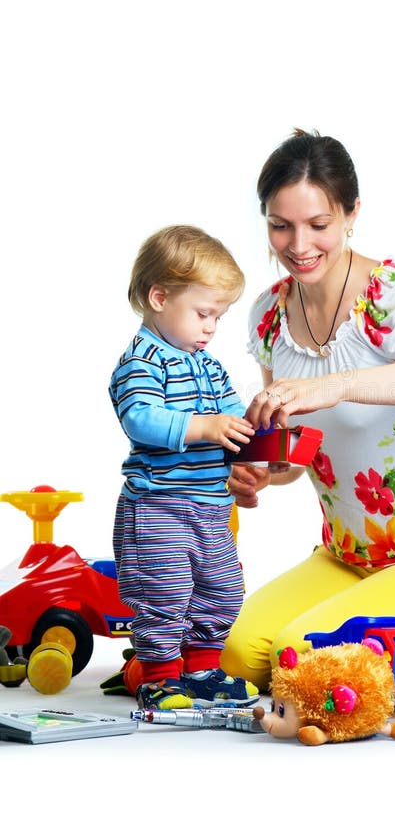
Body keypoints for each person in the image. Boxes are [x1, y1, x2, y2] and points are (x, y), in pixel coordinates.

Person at [221, 130, 395, 693]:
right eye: (281, 226)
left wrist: (337, 384)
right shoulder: (268, 318)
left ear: (352, 214)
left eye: (318, 225)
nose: (299, 244)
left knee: (293, 658)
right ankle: (387, 672)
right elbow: (296, 455)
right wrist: (262, 470)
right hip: (347, 554)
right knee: (240, 655)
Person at [109, 224, 260, 710]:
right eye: (203, 313)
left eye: (218, 316)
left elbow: (232, 420)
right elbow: (141, 418)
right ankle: (158, 674)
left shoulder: (208, 365)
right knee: (165, 590)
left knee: (222, 588)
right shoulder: (142, 361)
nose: (211, 327)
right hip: (158, 507)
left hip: (211, 507)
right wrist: (204, 427)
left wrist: (255, 446)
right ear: (159, 297)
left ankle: (203, 671)